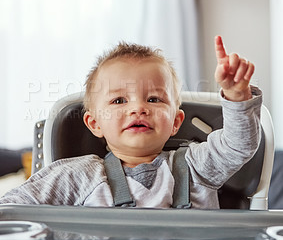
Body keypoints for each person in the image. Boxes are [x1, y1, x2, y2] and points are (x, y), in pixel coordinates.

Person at [0, 36, 262, 208]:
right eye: (119, 101)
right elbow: (12, 209)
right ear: (94, 124)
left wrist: (237, 96)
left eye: (154, 100)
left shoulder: (197, 167)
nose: (138, 108)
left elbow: (239, 145)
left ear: (175, 121)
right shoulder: (76, 177)